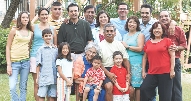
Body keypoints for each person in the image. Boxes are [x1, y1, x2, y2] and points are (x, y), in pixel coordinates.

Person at [140, 21, 175, 101]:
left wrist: (172, 70)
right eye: (155, 28)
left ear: (162, 30)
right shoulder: (148, 43)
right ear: (152, 30)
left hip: (165, 73)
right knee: (144, 88)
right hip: (152, 72)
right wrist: (143, 71)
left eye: (159, 28)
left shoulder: (167, 41)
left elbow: (172, 55)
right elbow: (144, 57)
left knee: (165, 97)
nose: (157, 30)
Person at [159, 10, 187, 101]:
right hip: (162, 63)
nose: (164, 18)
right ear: (159, 19)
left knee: (176, 87)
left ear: (170, 17)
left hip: (175, 61)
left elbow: (184, 45)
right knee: (164, 88)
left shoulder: (178, 29)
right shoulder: (159, 30)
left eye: (166, 16)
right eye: (161, 16)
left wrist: (176, 48)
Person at [30, 7, 57, 101]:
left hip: (49, 59)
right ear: (38, 16)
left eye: (46, 14)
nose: (44, 16)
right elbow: (29, 41)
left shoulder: (52, 29)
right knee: (37, 83)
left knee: (50, 83)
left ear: (48, 15)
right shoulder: (34, 27)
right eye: (42, 14)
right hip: (35, 56)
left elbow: (55, 45)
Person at [98, 23, 131, 101]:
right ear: (104, 33)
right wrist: (108, 73)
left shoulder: (119, 44)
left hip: (120, 69)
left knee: (131, 89)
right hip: (106, 69)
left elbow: (126, 60)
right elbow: (99, 63)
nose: (109, 33)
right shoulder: (99, 45)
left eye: (111, 31)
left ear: (115, 33)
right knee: (109, 86)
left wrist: (128, 73)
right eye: (107, 31)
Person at [6, 11, 33, 101]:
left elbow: (29, 47)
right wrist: (9, 64)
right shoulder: (14, 30)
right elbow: (8, 47)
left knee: (23, 86)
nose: (25, 19)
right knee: (12, 86)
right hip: (14, 63)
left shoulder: (30, 33)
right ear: (19, 19)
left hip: (25, 62)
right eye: (23, 17)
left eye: (27, 18)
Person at [122, 16, 144, 101]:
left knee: (137, 86)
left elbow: (140, 48)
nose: (132, 24)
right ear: (127, 23)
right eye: (130, 22)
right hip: (126, 61)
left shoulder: (139, 34)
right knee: (129, 84)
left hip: (136, 62)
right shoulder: (124, 35)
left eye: (134, 22)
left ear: (137, 25)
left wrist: (127, 46)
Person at [36, 28, 57, 101]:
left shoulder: (55, 49)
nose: (48, 37)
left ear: (52, 36)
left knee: (52, 95)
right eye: (46, 36)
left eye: (49, 35)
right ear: (43, 37)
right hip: (44, 76)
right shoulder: (40, 49)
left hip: (53, 76)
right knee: (42, 95)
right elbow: (38, 64)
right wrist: (37, 77)